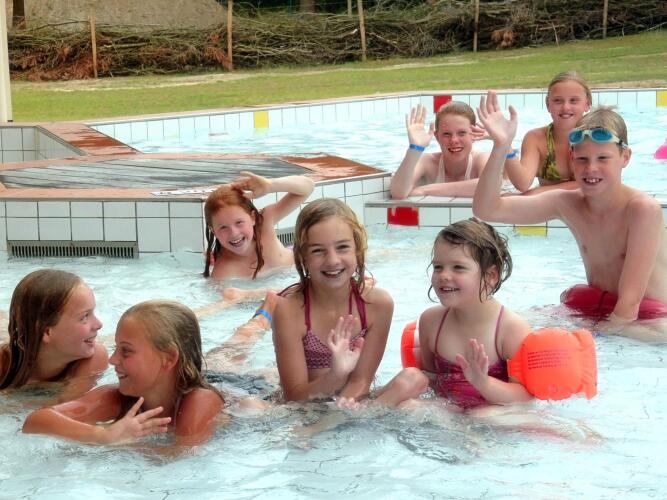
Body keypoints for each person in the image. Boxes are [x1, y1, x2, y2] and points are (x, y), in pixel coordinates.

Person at [473, 91, 667, 325]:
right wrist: (501, 146)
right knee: (505, 325)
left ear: (625, 157)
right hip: (600, 309)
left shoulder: (642, 210)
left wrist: (596, 337)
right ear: (572, 158)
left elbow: (629, 304)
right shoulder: (567, 203)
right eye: (582, 159)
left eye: (603, 158)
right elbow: (487, 210)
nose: (591, 168)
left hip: (651, 320)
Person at [272, 198, 426, 406]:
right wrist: (335, 375)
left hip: (353, 402)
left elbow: (361, 381)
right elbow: (294, 396)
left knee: (413, 379)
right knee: (250, 406)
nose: (333, 260)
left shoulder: (377, 305)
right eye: (318, 250)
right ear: (302, 257)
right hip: (306, 408)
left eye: (342, 247)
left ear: (358, 249)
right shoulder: (289, 309)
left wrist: (345, 409)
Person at [23, 300, 224, 447]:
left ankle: (246, 326)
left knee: (227, 357)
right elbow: (35, 421)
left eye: (126, 351)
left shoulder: (199, 400)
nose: (112, 359)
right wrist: (102, 436)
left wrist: (121, 445)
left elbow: (181, 459)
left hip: (231, 383)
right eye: (116, 348)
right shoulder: (117, 398)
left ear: (169, 358)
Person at [416, 219, 532, 409]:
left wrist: (483, 383)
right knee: (410, 407)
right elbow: (430, 379)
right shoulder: (431, 321)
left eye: (458, 267)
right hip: (449, 414)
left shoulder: (510, 329)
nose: (444, 275)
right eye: (438, 267)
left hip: (498, 415)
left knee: (483, 415)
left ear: (491, 276)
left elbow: (526, 398)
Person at [0, 269, 107, 402]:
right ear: (46, 332)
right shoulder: (4, 364)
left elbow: (65, 409)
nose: (99, 324)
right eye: (85, 316)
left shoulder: (94, 358)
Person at [389, 101, 515, 199]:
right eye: (446, 134)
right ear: (437, 137)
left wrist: (425, 190)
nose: (454, 140)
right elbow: (398, 193)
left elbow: (490, 186)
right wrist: (415, 149)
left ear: (474, 134)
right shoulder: (427, 161)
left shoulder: (481, 159)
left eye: (462, 133)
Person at [203, 171, 314, 280]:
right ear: (213, 231)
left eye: (239, 222)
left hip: (302, 269)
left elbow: (308, 187)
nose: (234, 233)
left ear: (253, 217)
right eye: (223, 227)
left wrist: (270, 185)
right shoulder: (223, 273)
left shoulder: (264, 222)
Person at [507, 71, 592, 193]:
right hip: (548, 204)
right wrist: (505, 145)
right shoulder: (536, 139)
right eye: (558, 101)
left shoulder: (598, 138)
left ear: (587, 104)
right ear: (547, 104)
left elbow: (602, 182)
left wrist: (537, 192)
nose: (566, 107)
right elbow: (522, 184)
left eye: (573, 100)